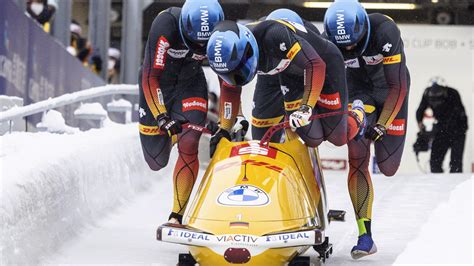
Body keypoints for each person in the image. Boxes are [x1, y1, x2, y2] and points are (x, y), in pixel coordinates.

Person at [206, 12, 366, 158]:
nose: (236, 76)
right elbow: (230, 89)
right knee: (264, 139)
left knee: (337, 137)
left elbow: (315, 65)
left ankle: (357, 112)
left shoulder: (275, 35)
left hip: (321, 64)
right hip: (283, 74)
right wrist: (225, 129)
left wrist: (306, 107)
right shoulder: (227, 60)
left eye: (239, 69)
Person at [324, 0, 411, 259]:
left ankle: (375, 125)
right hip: (357, 95)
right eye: (344, 45)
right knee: (358, 159)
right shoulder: (327, 39)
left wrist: (383, 124)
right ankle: (365, 235)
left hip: (391, 92)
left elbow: (398, 86)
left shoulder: (385, 30)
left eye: (353, 42)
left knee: (388, 167)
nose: (349, 48)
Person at [138, 0, 224, 224]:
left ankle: (177, 215)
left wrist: (228, 120)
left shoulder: (221, 34)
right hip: (158, 83)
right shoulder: (166, 24)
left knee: (190, 143)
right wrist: (162, 117)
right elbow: (151, 76)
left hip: (190, 83)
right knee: (156, 160)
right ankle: (175, 132)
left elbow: (228, 76)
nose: (199, 47)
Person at [416, 78, 468, 173]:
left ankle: (455, 185)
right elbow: (420, 110)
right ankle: (438, 183)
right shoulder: (427, 94)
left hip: (458, 130)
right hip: (441, 131)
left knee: (456, 163)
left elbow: (459, 114)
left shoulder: (452, 93)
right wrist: (420, 124)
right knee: (435, 161)